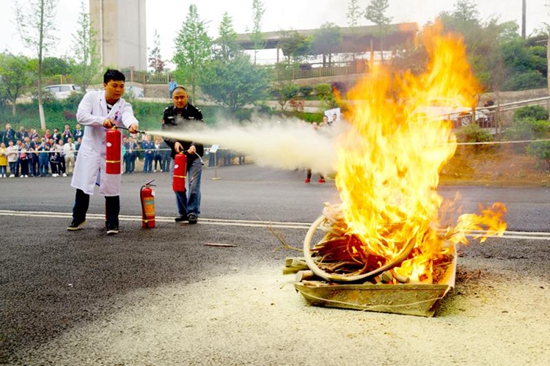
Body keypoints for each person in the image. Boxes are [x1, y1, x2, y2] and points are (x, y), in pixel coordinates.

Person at [67, 69, 139, 235]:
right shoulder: (91, 97)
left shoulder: (124, 105)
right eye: (114, 85)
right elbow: (81, 116)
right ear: (105, 85)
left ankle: (112, 222)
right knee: (83, 184)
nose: (118, 89)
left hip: (110, 153)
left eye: (122, 86)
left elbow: (128, 116)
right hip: (90, 150)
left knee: (112, 187)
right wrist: (101, 120)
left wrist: (132, 125)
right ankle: (78, 218)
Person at [162, 86, 204, 224]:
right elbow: (165, 134)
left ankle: (193, 212)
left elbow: (201, 132)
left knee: (194, 186)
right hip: (177, 156)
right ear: (172, 98)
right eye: (176, 97)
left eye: (182, 97)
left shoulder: (195, 112)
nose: (179, 100)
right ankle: (183, 212)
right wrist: (174, 143)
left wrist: (194, 144)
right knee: (177, 185)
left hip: (194, 155)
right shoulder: (168, 113)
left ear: (187, 97)